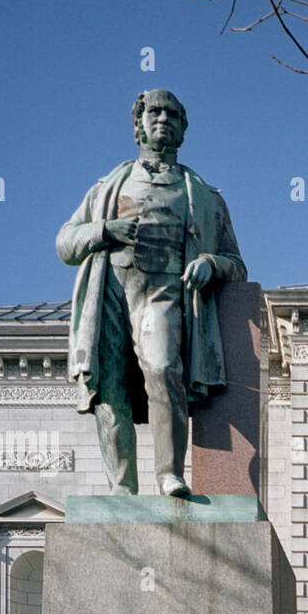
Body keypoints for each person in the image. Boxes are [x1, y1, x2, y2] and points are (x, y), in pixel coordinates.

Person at [57, 90, 247, 496]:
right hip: (110, 287)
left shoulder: (205, 197)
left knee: (163, 370)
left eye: (173, 115)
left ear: (182, 130)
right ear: (138, 125)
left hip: (165, 293)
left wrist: (211, 264)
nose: (164, 119)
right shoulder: (109, 186)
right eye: (155, 112)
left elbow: (236, 263)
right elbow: (65, 244)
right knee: (109, 386)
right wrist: (105, 231)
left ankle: (168, 473)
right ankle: (122, 487)